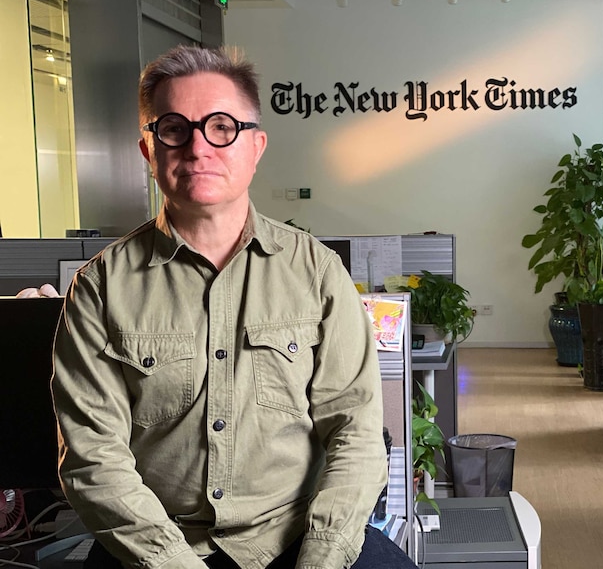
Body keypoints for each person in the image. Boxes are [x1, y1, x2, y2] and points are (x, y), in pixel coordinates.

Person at [51, 45, 416, 569]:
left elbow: (355, 430)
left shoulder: (316, 272)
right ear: (148, 151)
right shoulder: (100, 287)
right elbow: (93, 459)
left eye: (222, 126)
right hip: (154, 546)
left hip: (295, 536)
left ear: (256, 146)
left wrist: (323, 555)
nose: (199, 147)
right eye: (174, 128)